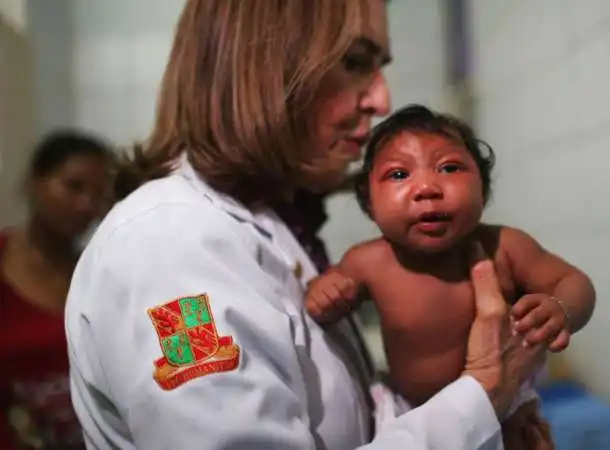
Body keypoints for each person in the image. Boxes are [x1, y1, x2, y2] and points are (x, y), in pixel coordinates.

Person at [66, 1, 555, 449]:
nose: (382, 100)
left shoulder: (271, 227)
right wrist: (482, 393)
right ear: (262, 68)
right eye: (355, 63)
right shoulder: (168, 247)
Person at [305, 105, 596, 449]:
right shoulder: (368, 261)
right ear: (370, 204)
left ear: (483, 192)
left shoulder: (504, 247)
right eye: (399, 175)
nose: (427, 187)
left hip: (506, 406)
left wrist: (560, 308)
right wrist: (324, 296)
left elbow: (575, 282)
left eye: (449, 168)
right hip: (409, 412)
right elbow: (321, 296)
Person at [0, 131, 115, 449]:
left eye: (99, 194)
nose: (86, 204)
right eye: (73, 186)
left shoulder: (99, 275)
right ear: (34, 183)